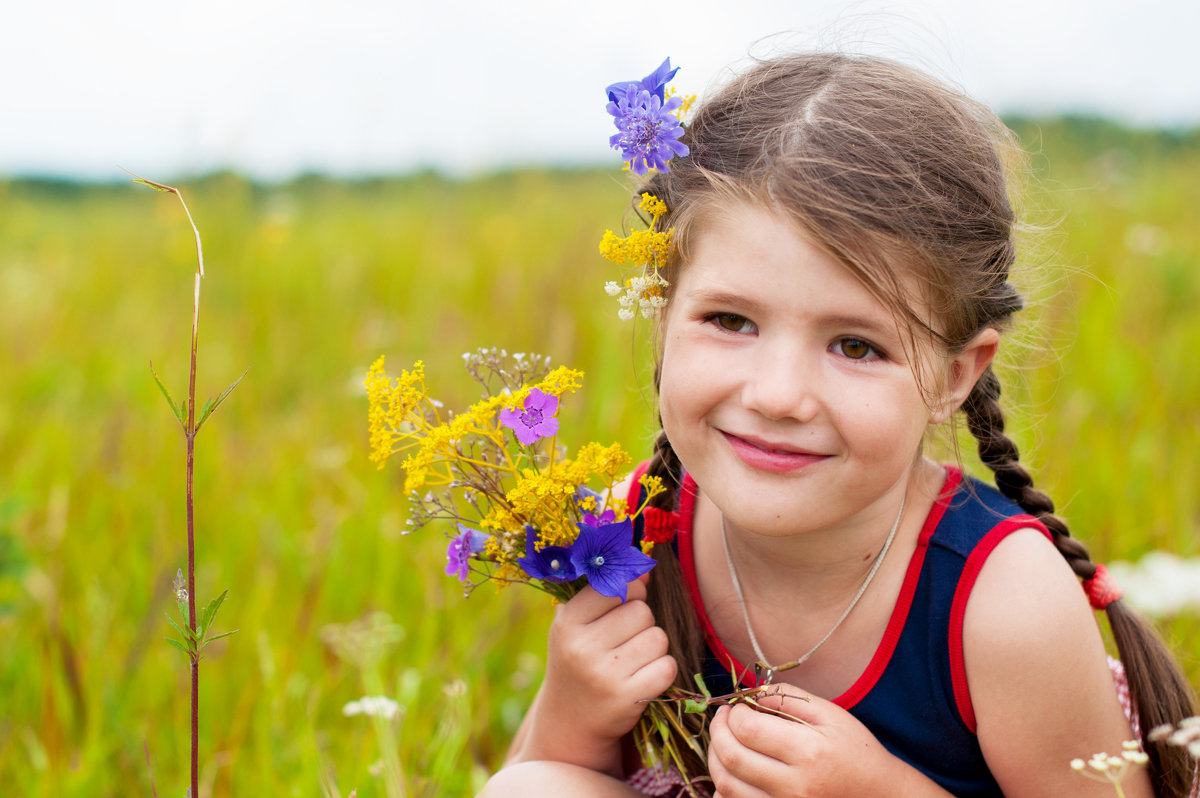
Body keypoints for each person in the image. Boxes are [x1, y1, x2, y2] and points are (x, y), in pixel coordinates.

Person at [480, 52, 1198, 797]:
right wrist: (573, 703)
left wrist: (879, 790)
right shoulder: (638, 532)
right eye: (731, 320)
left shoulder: (1005, 601)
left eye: (856, 345)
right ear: (664, 315)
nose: (780, 395)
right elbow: (536, 778)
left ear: (957, 373)